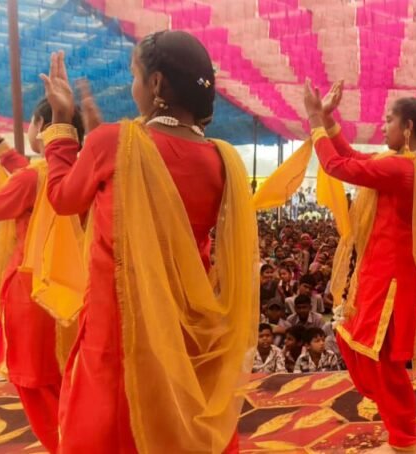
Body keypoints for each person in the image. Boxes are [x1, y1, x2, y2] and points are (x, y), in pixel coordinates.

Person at [38, 31, 257, 452]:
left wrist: (62, 124)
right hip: (187, 320)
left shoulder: (115, 142)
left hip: (121, 323)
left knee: (117, 425)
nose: (132, 88)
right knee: (175, 416)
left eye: (134, 76)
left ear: (155, 83)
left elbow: (64, 199)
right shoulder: (222, 158)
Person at [305, 82, 416, 453]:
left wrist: (314, 120)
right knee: (368, 353)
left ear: (408, 128)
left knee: (385, 364)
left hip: (391, 282)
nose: (383, 127)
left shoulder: (402, 169)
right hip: (379, 276)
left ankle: (403, 441)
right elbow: (354, 156)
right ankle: (398, 433)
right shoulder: (400, 164)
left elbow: (337, 165)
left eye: (389, 121)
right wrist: (328, 119)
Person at [0, 100, 86, 453]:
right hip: (73, 289)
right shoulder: (77, 170)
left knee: (37, 385)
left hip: (33, 291)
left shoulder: (33, 178)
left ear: (41, 126)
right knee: (67, 381)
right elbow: (30, 174)